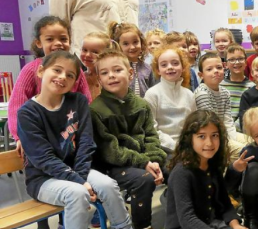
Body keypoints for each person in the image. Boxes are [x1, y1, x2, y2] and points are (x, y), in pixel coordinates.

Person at [17, 51, 132, 229]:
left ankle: (124, 226)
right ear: (41, 71)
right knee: (77, 193)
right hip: (42, 180)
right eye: (57, 70)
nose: (62, 77)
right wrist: (80, 182)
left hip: (78, 169)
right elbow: (43, 158)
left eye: (70, 75)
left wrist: (80, 176)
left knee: (108, 185)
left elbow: (86, 143)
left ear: (74, 82)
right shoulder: (27, 113)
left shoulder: (78, 101)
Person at [90, 50, 166, 229]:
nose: (112, 76)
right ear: (99, 80)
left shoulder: (141, 105)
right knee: (144, 179)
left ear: (130, 74)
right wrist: (145, 162)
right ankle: (143, 225)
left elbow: (151, 137)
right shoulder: (96, 110)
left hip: (141, 161)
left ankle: (181, 217)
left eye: (117, 70)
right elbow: (110, 151)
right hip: (112, 166)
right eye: (105, 73)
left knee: (178, 167)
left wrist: (154, 160)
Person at [8, 16, 91, 157]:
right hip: (42, 137)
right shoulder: (30, 70)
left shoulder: (76, 70)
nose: (58, 43)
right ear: (39, 43)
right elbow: (17, 106)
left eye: (63, 39)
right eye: (50, 39)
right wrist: (20, 136)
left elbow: (87, 101)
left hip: (71, 136)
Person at [166, 110, 246, 229]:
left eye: (214, 135)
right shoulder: (181, 173)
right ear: (190, 139)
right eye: (201, 136)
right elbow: (187, 219)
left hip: (211, 223)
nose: (209, 143)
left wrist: (236, 225)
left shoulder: (213, 164)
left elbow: (225, 203)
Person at [194, 53, 249, 161]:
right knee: (245, 150)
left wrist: (232, 138)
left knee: (253, 142)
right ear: (201, 75)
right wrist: (230, 141)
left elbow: (228, 120)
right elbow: (210, 125)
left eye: (219, 67)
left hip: (224, 133)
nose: (216, 71)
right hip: (211, 137)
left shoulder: (225, 92)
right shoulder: (202, 93)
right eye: (209, 69)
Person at [145, 46, 196, 151]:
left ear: (183, 67)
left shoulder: (189, 94)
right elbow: (151, 129)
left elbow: (194, 124)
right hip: (162, 148)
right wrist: (174, 146)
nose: (170, 67)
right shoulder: (152, 94)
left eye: (175, 63)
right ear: (158, 70)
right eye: (164, 65)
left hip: (187, 147)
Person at [109, 21, 155, 97]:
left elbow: (153, 91)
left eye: (135, 42)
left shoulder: (148, 68)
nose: (132, 47)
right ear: (118, 45)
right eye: (126, 44)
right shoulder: (116, 68)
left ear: (141, 42)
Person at [220, 44, 255, 130]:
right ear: (226, 65)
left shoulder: (252, 87)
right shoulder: (220, 86)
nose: (237, 62)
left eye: (240, 58)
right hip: (223, 130)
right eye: (231, 59)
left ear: (246, 62)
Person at [80, 32, 120, 100]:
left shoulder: (111, 79)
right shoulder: (79, 78)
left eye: (95, 52)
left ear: (107, 54)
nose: (87, 55)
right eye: (84, 50)